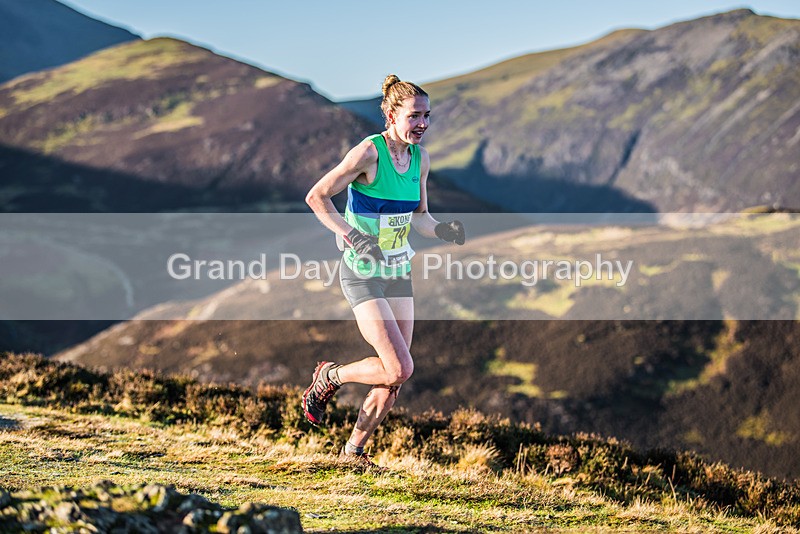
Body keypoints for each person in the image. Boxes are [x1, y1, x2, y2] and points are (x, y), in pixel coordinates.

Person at [303, 74, 465, 468]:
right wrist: (349, 234)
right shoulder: (368, 153)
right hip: (362, 272)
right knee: (400, 365)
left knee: (395, 377)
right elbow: (317, 196)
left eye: (427, 116)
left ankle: (353, 453)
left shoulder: (420, 159)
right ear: (391, 115)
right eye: (414, 116)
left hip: (397, 272)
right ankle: (331, 376)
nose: (422, 124)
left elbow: (420, 217)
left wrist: (441, 229)